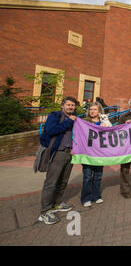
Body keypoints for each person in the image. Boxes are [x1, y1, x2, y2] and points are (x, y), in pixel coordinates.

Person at [38, 96, 78, 225]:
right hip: (58, 153)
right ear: (63, 106)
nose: (71, 107)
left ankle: (57, 203)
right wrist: (68, 122)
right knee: (51, 182)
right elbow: (51, 130)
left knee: (63, 181)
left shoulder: (75, 118)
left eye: (73, 105)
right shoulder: (55, 116)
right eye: (68, 105)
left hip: (69, 153)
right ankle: (45, 211)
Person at [81, 102, 106, 207]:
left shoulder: (104, 122)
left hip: (99, 153)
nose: (92, 111)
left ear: (99, 111)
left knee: (98, 176)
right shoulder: (84, 122)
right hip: (87, 153)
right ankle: (86, 198)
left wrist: (106, 127)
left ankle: (97, 196)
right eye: (91, 109)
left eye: (95, 109)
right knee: (87, 176)